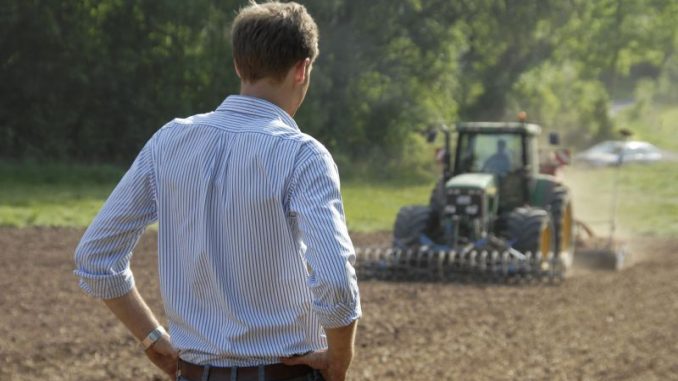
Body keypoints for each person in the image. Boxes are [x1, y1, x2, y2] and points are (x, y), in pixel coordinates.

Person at [74, 2, 361, 381]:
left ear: (238, 65)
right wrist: (339, 361)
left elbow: (95, 257)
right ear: (302, 68)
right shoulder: (303, 155)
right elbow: (336, 282)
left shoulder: (170, 141)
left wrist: (151, 337)